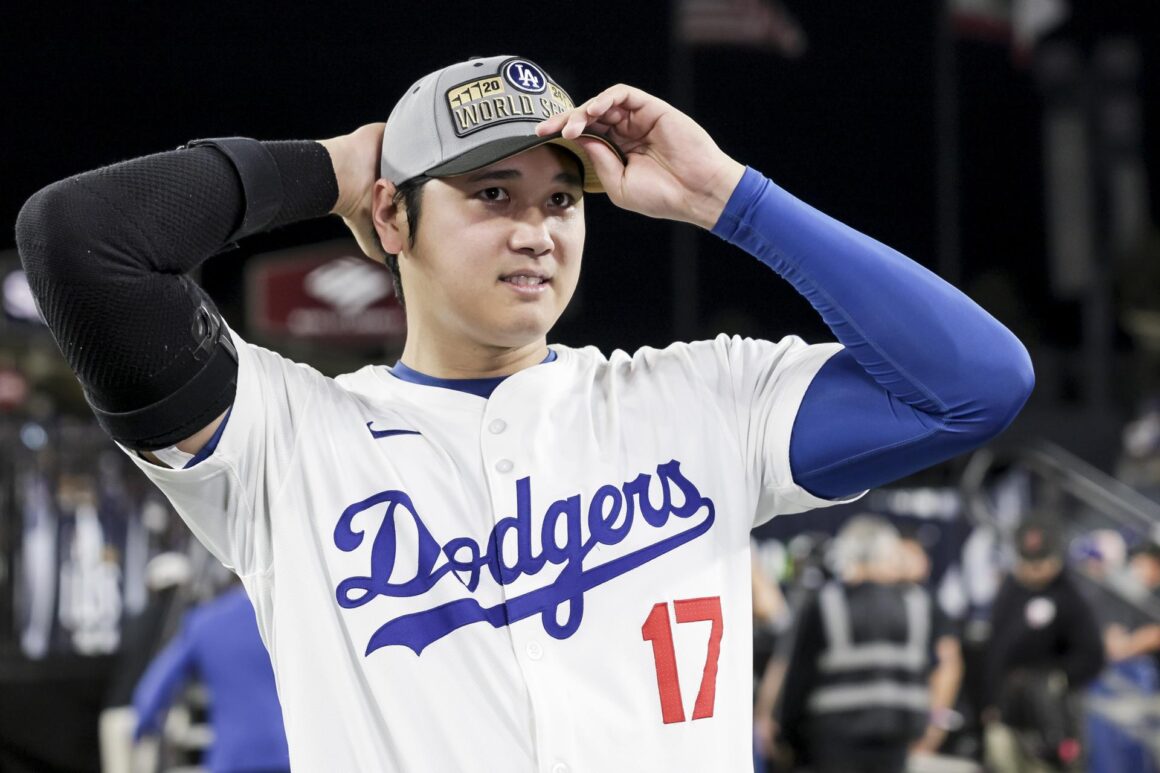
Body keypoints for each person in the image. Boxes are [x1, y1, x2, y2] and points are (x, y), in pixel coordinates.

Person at [15, 55, 1033, 771]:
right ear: (392, 213)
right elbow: (79, 239)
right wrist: (339, 165)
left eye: (561, 199)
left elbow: (975, 385)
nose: (537, 231)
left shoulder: (700, 398)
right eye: (491, 194)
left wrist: (731, 198)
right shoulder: (285, 440)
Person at [776, 516, 936, 773]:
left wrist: (787, 736)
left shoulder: (827, 603)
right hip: (897, 739)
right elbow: (935, 667)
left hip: (835, 741)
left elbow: (799, 677)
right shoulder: (917, 604)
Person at [982, 519, 1105, 772]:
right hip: (1008, 707)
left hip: (1051, 713)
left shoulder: (1069, 596)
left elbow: (1092, 655)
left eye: (1041, 562)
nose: (1034, 570)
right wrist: (992, 700)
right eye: (1028, 562)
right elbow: (995, 651)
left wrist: (1058, 677)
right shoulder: (1009, 592)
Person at [132, 585, 290, 773]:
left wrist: (145, 727)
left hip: (232, 758)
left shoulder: (205, 622)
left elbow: (152, 691)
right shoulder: (286, 622)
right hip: (288, 754)